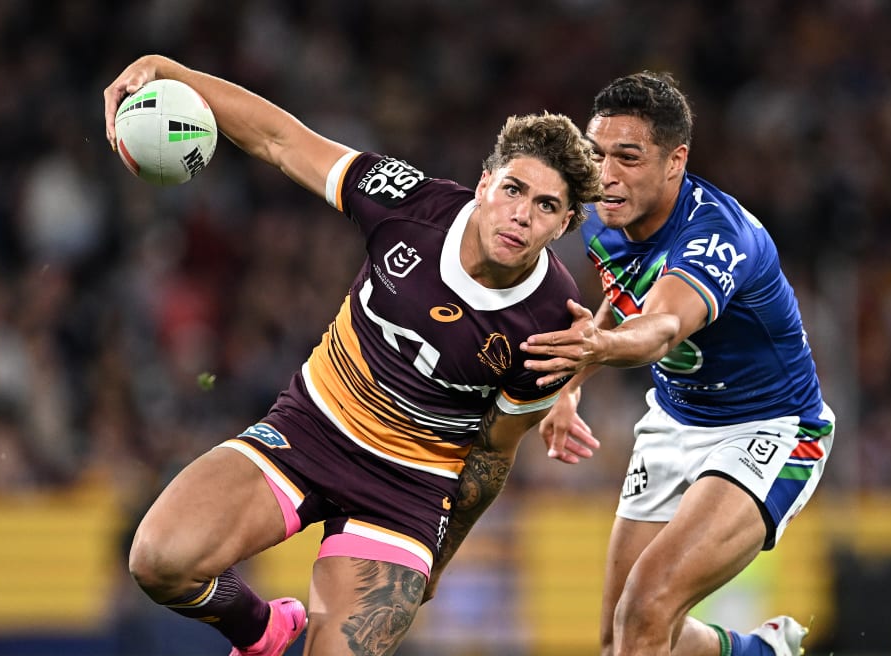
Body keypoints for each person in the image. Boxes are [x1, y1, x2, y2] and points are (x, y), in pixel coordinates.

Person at [102, 54, 603, 656]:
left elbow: (494, 456)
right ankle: (262, 630)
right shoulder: (408, 203)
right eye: (513, 189)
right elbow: (280, 140)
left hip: (408, 491)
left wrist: (436, 562)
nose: (521, 214)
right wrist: (169, 71)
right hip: (308, 429)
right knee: (158, 561)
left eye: (547, 206)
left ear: (568, 222)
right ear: (485, 181)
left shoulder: (552, 320)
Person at [521, 71, 834, 656]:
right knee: (621, 637)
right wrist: (571, 387)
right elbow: (621, 297)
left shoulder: (718, 236)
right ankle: (757, 652)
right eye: (598, 154)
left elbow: (661, 328)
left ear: (675, 160)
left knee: (646, 607)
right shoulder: (601, 213)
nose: (606, 174)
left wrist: (591, 351)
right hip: (674, 421)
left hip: (769, 429)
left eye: (628, 157)